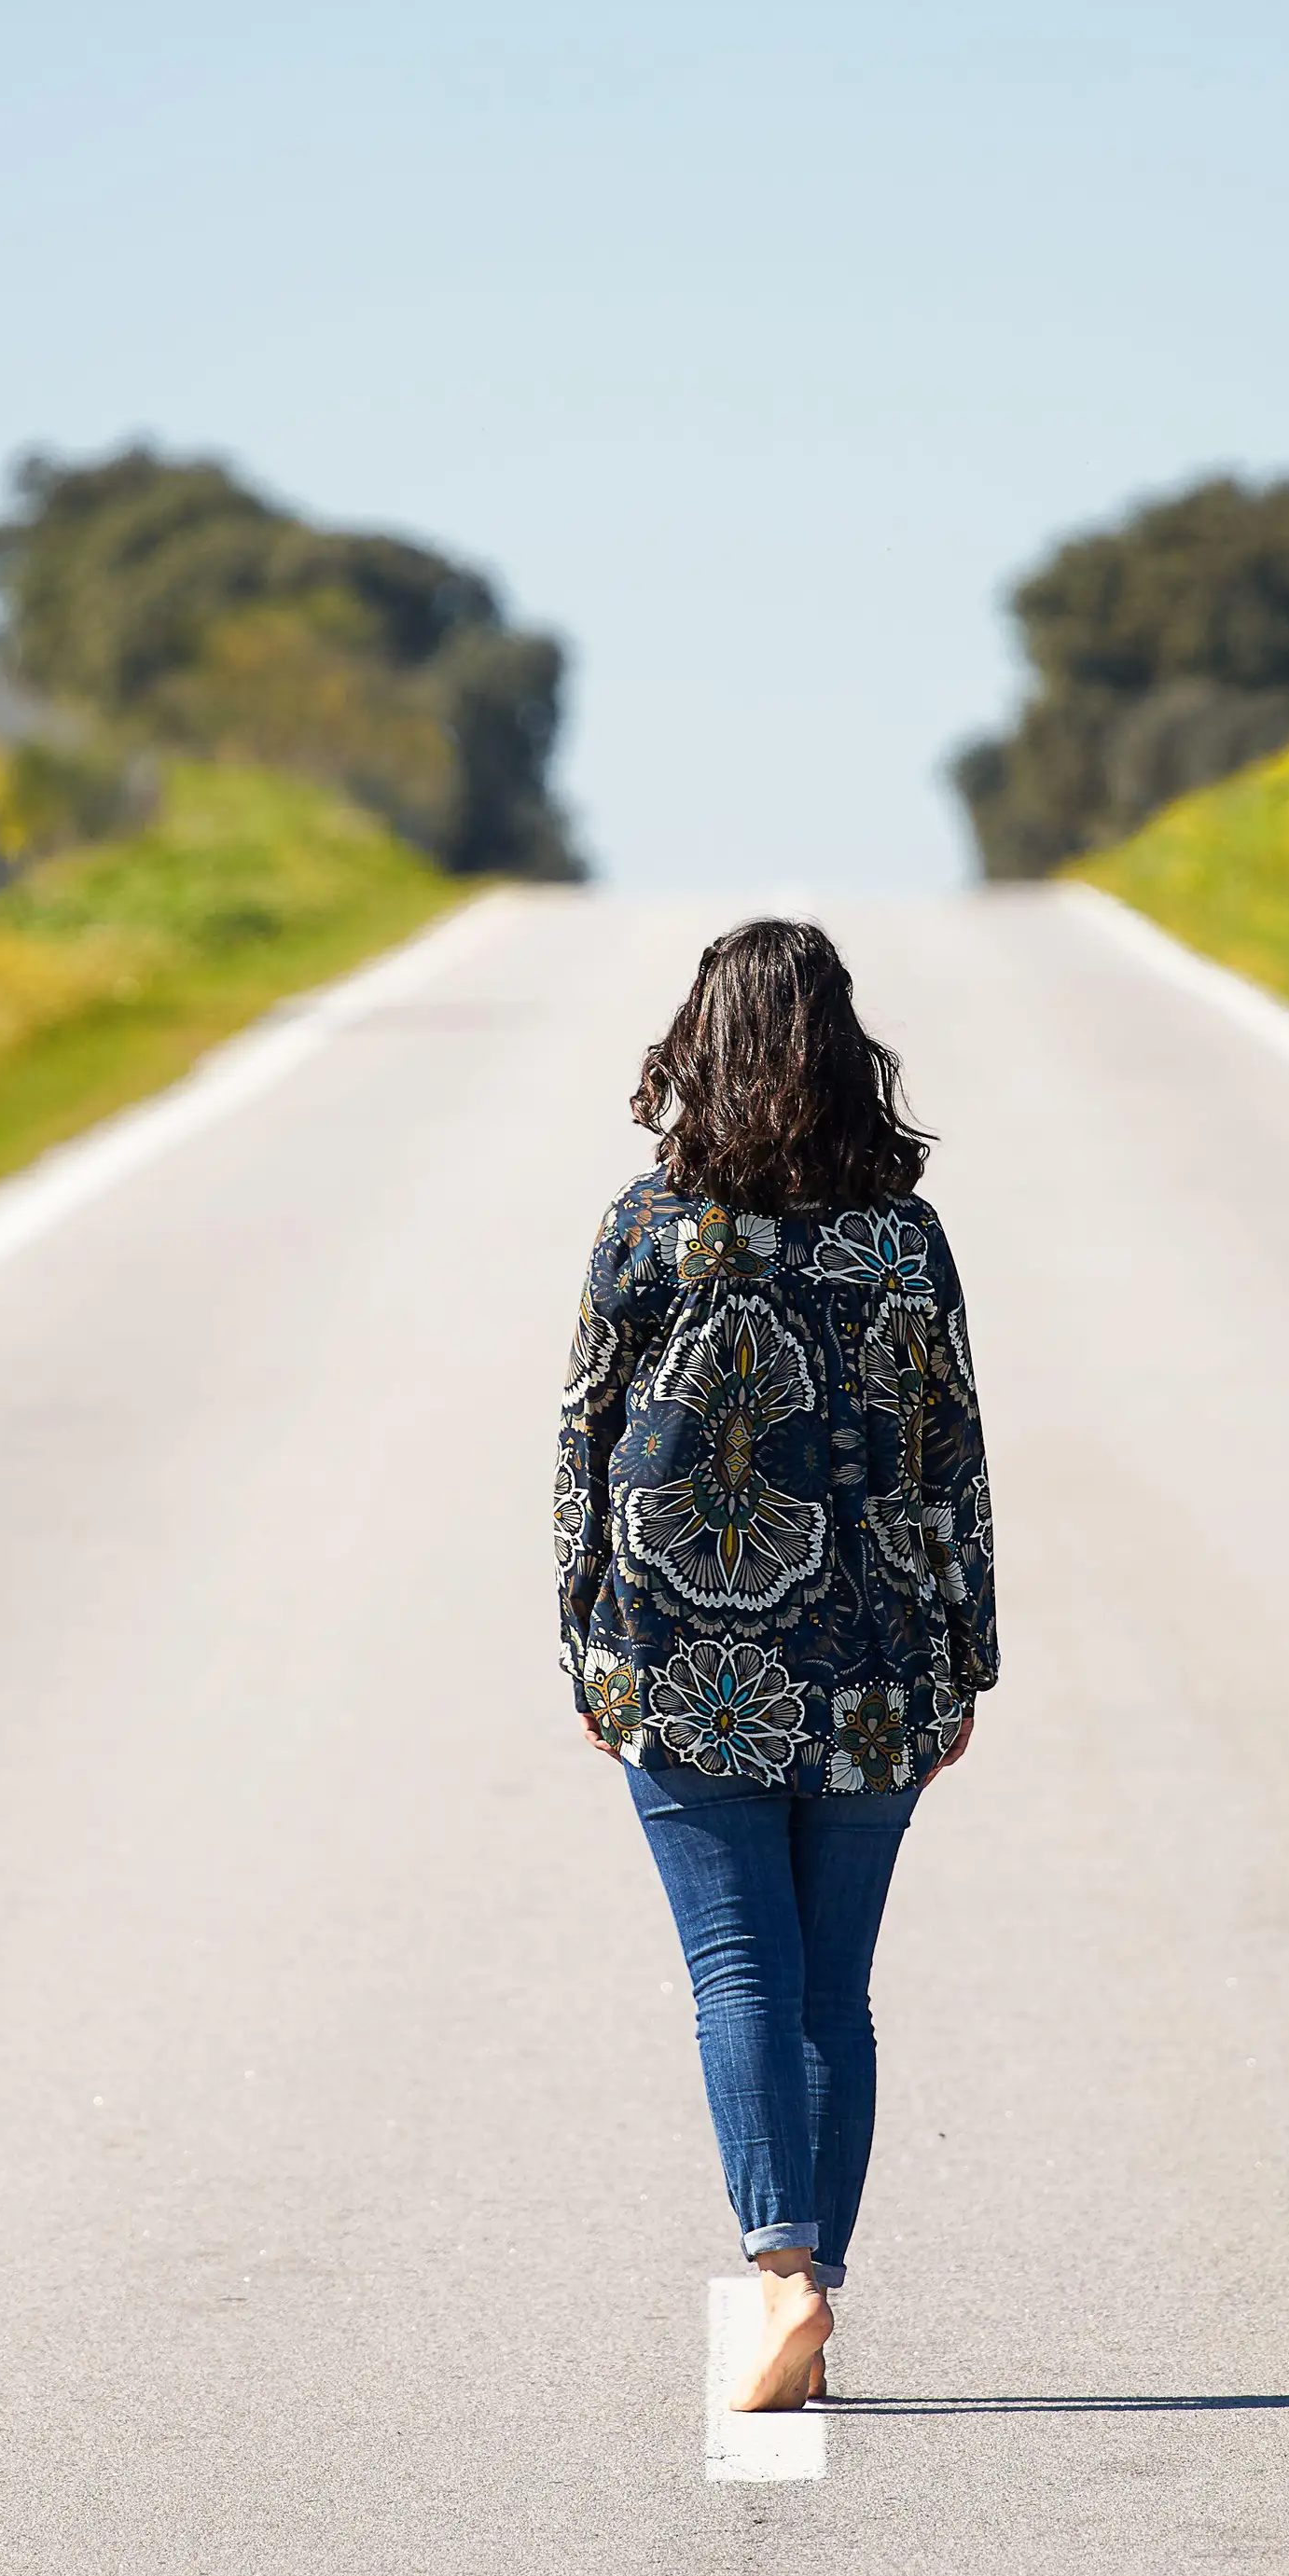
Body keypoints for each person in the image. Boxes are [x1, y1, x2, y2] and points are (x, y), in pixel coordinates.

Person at [556, 918, 999, 2415]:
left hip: (684, 1662)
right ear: (842, 1049)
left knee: (737, 1970)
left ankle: (784, 2279)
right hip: (873, 1657)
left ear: (700, 1046)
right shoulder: (903, 1238)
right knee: (836, 1991)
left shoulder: (647, 1227)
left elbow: (586, 1438)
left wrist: (582, 1639)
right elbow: (953, 1458)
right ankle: (817, 2300)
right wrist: (969, 1654)